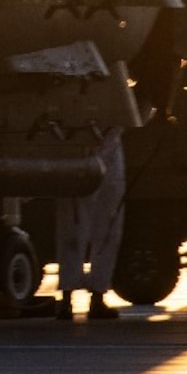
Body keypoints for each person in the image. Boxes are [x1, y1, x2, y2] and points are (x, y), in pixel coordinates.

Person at [54, 127, 126, 319]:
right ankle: (69, 296)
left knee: (108, 226)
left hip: (109, 149)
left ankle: (95, 293)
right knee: (73, 226)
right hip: (76, 146)